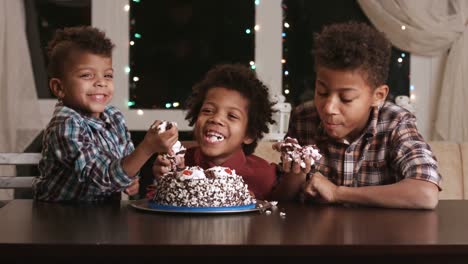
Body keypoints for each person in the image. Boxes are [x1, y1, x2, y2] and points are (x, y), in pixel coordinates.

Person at [270, 22, 441, 209]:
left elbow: (425, 194)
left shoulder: (396, 122)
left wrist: (337, 193)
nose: (329, 108)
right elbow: (283, 201)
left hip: (382, 235)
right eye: (322, 92)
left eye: (346, 98)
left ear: (378, 96)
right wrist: (296, 174)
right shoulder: (304, 119)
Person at [33, 26, 178, 202]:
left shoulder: (114, 116)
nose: (101, 82)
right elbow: (99, 179)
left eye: (108, 75)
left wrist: (131, 180)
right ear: (59, 88)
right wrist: (147, 147)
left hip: (102, 218)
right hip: (60, 218)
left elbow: (126, 164)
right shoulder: (66, 124)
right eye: (87, 75)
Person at [152, 64, 277, 200]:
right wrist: (164, 181)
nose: (216, 119)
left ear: (249, 134)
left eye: (232, 116)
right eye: (207, 111)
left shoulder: (263, 175)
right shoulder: (176, 164)